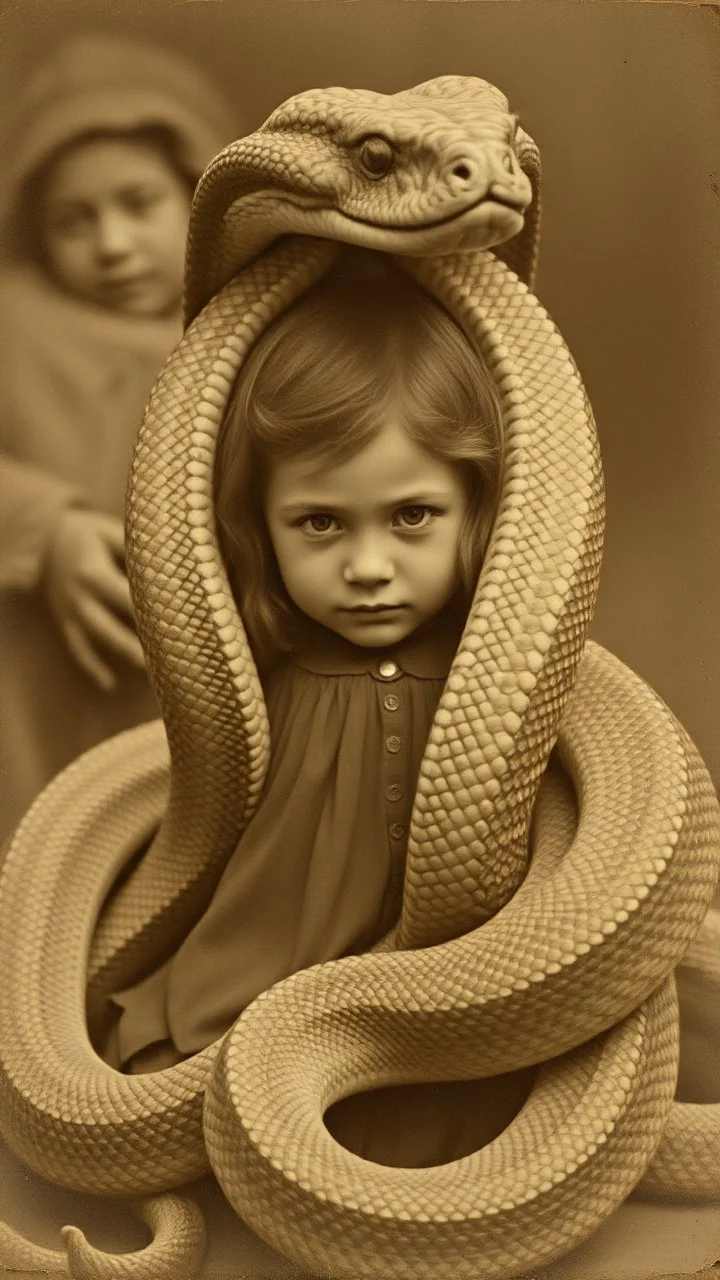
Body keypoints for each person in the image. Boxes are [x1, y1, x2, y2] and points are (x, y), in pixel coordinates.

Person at [103, 251, 507, 1093]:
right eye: (320, 521)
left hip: (464, 990)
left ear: (476, 508)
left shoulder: (505, 671)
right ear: (260, 526)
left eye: (411, 516)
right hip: (271, 970)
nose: (368, 565)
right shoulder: (257, 681)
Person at [0, 34, 238, 839]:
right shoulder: (14, 321)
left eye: (139, 205)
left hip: (216, 672)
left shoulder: (253, 318)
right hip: (44, 676)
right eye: (74, 220)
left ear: (198, 196)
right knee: (50, 869)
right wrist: (44, 528)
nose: (110, 245)